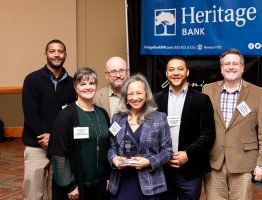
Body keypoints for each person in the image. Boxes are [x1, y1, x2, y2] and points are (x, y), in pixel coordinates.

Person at [202, 48, 262, 200]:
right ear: (221, 68)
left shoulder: (258, 93)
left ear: (242, 67)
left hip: (244, 163)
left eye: (235, 63)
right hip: (213, 162)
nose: (231, 67)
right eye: (227, 64)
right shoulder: (207, 90)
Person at [22, 39, 76, 200]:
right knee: (32, 193)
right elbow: (31, 114)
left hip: (60, 147)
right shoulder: (32, 80)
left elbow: (72, 116)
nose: (56, 54)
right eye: (52, 51)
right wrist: (47, 136)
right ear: (45, 54)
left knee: (57, 192)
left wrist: (55, 139)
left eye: (60, 51)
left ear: (65, 55)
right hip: (36, 145)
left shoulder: (73, 83)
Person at [154, 57, 216, 200]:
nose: (176, 73)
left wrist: (188, 154)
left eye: (180, 69)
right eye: (171, 69)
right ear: (166, 73)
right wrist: (164, 156)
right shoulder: (155, 100)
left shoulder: (202, 99)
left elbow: (208, 135)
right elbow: (151, 134)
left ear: (187, 72)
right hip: (163, 169)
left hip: (191, 169)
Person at [48, 67, 111, 200]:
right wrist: (69, 185)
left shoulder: (102, 113)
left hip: (100, 184)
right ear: (76, 88)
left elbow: (109, 147)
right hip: (76, 186)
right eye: (83, 84)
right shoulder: (66, 116)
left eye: (92, 83)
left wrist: (109, 177)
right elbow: (58, 154)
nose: (88, 87)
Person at [107, 74, 173, 200]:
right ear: (126, 98)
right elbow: (111, 147)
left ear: (146, 95)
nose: (135, 97)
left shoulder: (159, 118)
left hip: (150, 183)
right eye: (131, 94)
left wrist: (149, 162)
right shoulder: (117, 118)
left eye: (139, 93)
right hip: (121, 182)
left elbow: (168, 151)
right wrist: (114, 160)